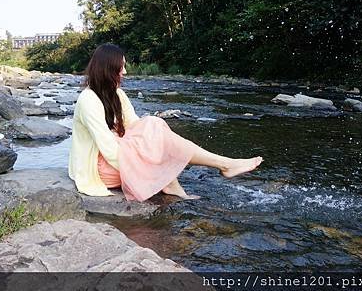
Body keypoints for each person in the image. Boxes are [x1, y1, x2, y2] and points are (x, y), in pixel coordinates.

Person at [68, 43, 263, 202]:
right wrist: (152, 165)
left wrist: (154, 149)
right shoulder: (88, 100)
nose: (125, 72)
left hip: (118, 158)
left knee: (154, 125)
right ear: (108, 69)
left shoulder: (117, 94)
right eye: (121, 66)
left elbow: (135, 126)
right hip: (100, 170)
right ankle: (221, 166)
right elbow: (109, 151)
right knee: (154, 135)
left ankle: (192, 176)